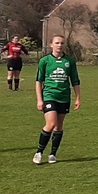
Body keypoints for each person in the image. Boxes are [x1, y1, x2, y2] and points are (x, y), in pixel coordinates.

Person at [33, 36, 81, 164]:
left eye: (62, 43)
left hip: (64, 96)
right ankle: (39, 152)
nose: (59, 45)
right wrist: (39, 100)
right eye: (57, 43)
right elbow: (39, 81)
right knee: (51, 124)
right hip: (49, 95)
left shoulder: (69, 61)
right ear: (51, 44)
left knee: (59, 126)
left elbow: (75, 80)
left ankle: (53, 154)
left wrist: (78, 98)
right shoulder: (45, 61)